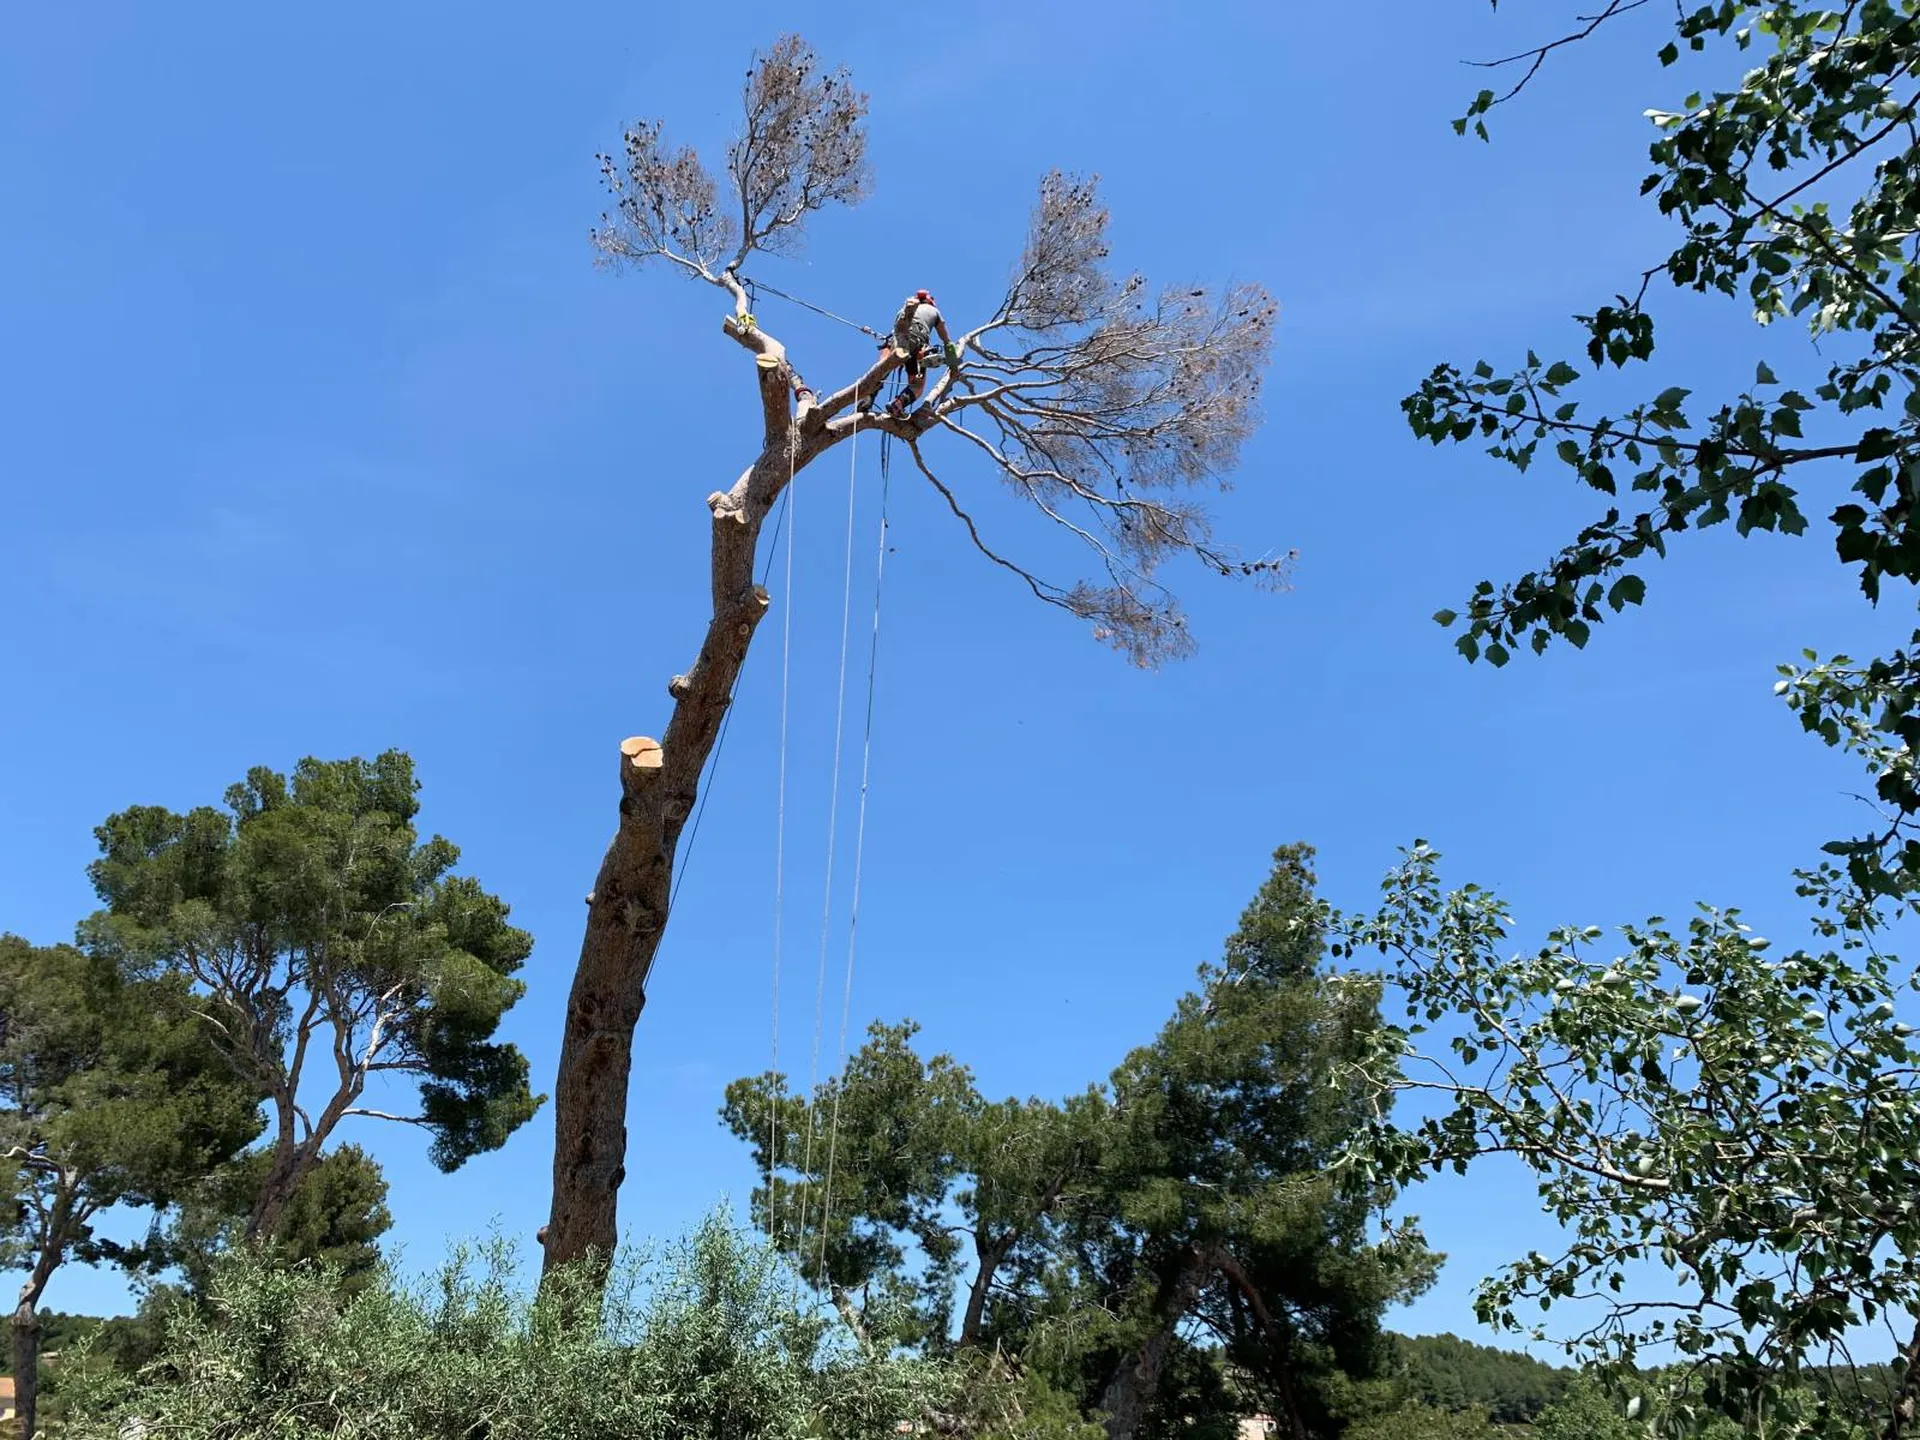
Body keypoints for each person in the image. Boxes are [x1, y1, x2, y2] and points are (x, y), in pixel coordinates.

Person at [871, 290, 960, 419]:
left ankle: (867, 398)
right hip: (916, 345)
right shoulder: (934, 311)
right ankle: (898, 404)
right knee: (917, 386)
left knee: (881, 370)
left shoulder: (901, 310)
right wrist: (953, 367)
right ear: (931, 302)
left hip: (895, 341)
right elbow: (947, 342)